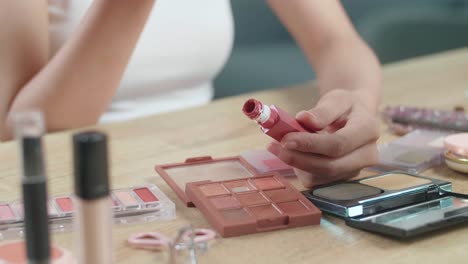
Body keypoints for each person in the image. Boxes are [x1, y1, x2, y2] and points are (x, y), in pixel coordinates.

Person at [0, 0, 381, 187]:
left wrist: (356, 103)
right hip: (76, 191)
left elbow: (335, 41)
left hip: (200, 174)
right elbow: (21, 133)